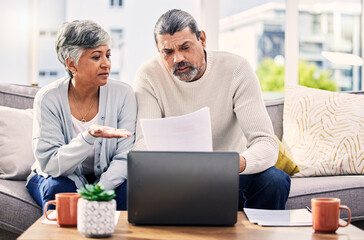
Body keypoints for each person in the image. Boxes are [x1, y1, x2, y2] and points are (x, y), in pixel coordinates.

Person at [133, 9, 290, 210]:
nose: (177, 59)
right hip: (175, 179)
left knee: (275, 180)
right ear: (158, 51)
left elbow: (266, 143)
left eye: (185, 47)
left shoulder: (236, 69)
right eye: (168, 52)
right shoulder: (148, 75)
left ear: (203, 39)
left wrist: (235, 164)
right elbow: (142, 144)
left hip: (232, 176)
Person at [26, 20, 137, 211]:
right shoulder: (47, 98)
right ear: (72, 64)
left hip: (107, 176)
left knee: (131, 189)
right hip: (58, 176)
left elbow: (125, 157)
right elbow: (51, 164)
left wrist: (97, 192)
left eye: (108, 55)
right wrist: (88, 137)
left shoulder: (124, 94)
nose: (106, 64)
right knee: (59, 191)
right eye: (96, 57)